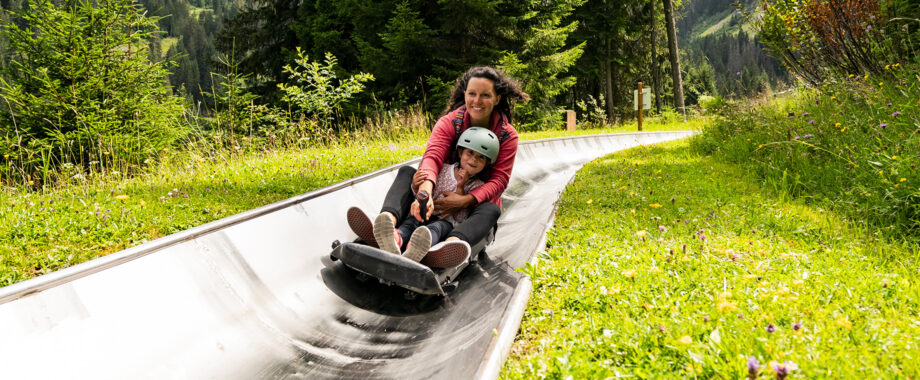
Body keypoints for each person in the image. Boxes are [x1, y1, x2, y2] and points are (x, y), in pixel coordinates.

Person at [347, 66, 529, 268]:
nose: (477, 101)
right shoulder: (451, 122)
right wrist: (425, 189)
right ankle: (387, 227)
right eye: (472, 94)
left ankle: (449, 246)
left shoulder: (507, 135)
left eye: (485, 95)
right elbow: (433, 156)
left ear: (497, 98)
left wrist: (465, 200)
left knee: (492, 209)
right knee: (408, 173)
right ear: (465, 94)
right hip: (438, 190)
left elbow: (499, 180)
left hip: (472, 203)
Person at [375, 127, 498, 262]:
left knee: (435, 229)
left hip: (445, 222)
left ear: (487, 163)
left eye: (481, 157)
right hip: (425, 213)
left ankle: (416, 248)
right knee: (410, 223)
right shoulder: (443, 169)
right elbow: (422, 194)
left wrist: (461, 188)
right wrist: (415, 187)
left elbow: (460, 217)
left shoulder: (477, 186)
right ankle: (395, 239)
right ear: (461, 152)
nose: (474, 160)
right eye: (470, 153)